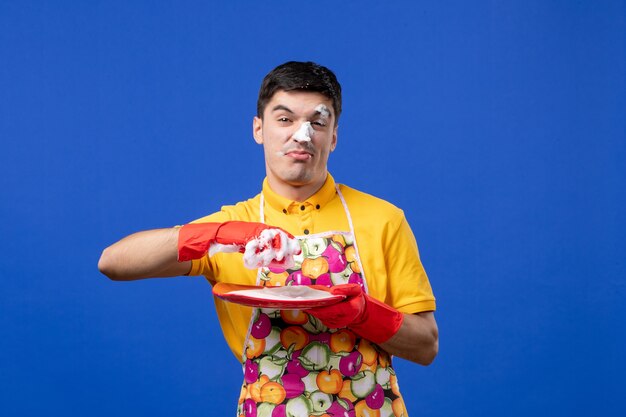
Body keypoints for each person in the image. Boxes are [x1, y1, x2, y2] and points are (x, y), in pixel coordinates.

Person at [99, 61, 438, 417]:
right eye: (285, 119)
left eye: (317, 122)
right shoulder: (232, 226)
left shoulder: (383, 219)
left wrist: (363, 313)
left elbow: (426, 346)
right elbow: (113, 263)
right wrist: (214, 234)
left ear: (334, 136)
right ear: (258, 128)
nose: (302, 135)